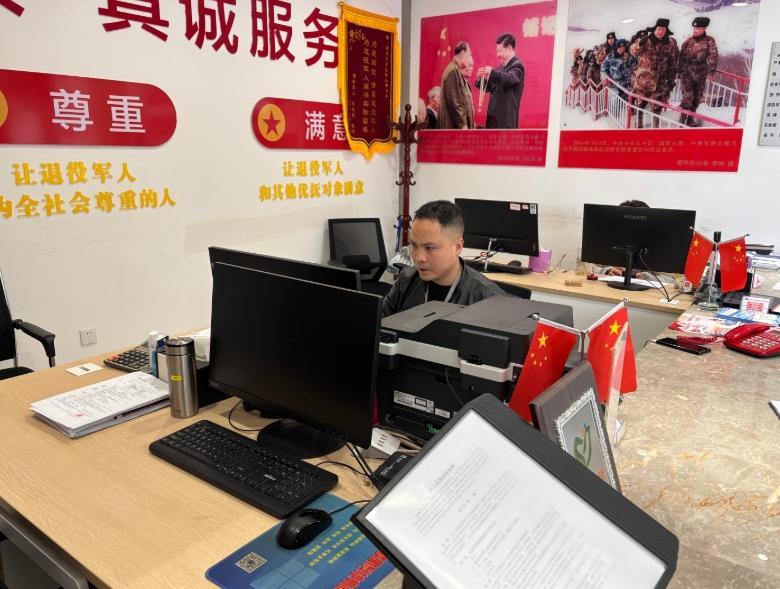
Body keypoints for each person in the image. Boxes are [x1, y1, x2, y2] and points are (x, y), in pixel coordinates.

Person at [383, 200, 506, 317]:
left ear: (457, 247)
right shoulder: (406, 280)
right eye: (413, 245)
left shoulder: (489, 301)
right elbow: (381, 324)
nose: (418, 257)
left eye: (429, 248)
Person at [591, 200, 673, 283]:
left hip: (644, 290)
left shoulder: (656, 249)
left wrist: (646, 277)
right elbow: (587, 266)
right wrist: (606, 271)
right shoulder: (608, 242)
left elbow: (671, 279)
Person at [630, 18, 679, 128]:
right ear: (655, 29)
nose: (660, 32)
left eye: (663, 29)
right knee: (641, 102)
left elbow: (672, 61)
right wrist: (640, 44)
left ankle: (655, 127)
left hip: (660, 80)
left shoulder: (670, 43)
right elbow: (633, 51)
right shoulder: (646, 40)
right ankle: (639, 121)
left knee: (657, 105)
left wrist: (671, 78)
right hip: (644, 79)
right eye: (659, 29)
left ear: (666, 30)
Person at [475, 33, 525, 129]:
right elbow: (488, 88)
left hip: (505, 123)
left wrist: (492, 72)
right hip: (493, 121)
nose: (497, 55)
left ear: (509, 48)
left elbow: (509, 79)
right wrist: (480, 78)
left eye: (499, 51)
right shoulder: (500, 68)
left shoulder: (517, 65)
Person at [678, 17, 718, 127]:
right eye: (694, 28)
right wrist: (679, 71)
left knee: (696, 98)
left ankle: (690, 120)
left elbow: (713, 56)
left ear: (704, 29)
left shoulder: (709, 41)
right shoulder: (688, 41)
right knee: (687, 97)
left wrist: (711, 72)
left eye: (698, 28)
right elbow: (681, 57)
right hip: (687, 74)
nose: (695, 30)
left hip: (701, 74)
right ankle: (681, 120)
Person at [438, 42, 475, 130]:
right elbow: (455, 102)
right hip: (452, 128)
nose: (469, 59)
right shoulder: (453, 70)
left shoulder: (455, 69)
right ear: (462, 54)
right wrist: (463, 125)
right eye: (469, 55)